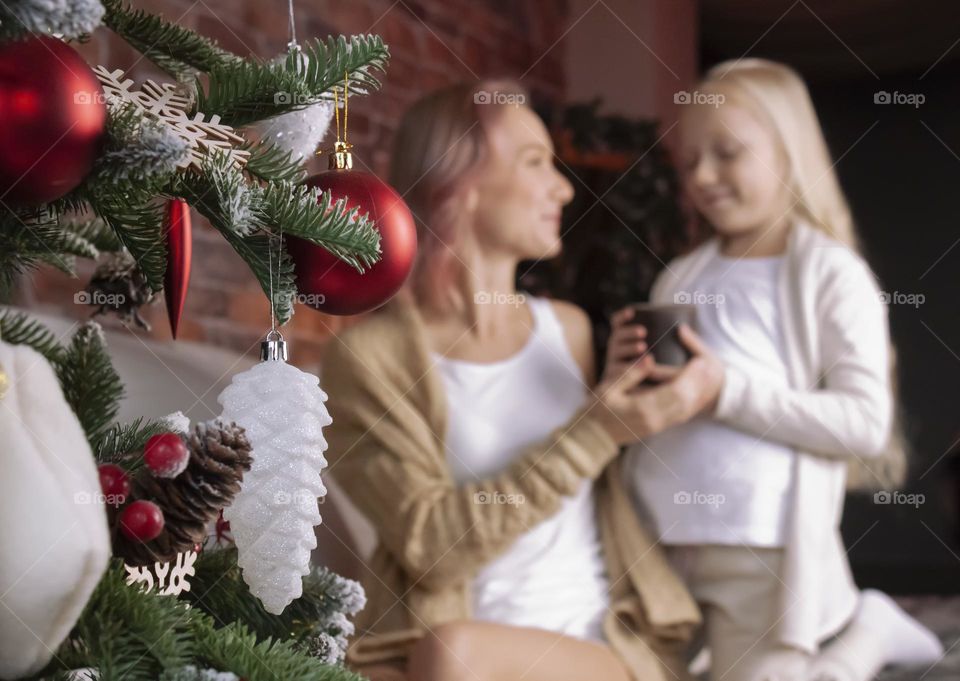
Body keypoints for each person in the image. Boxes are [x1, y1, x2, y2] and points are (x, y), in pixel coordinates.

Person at [320, 79, 721, 681]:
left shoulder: (571, 331)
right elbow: (432, 548)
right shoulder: (368, 360)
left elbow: (607, 475)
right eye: (536, 163)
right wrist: (594, 432)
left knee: (455, 655)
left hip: (595, 644)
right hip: (445, 647)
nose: (562, 188)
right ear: (459, 184)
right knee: (443, 654)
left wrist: (664, 406)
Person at [608, 59, 943, 681]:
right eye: (691, 162)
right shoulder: (682, 274)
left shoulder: (827, 273)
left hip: (763, 549)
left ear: (789, 151)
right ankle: (863, 631)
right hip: (661, 541)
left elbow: (864, 423)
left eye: (728, 153)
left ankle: (863, 637)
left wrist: (725, 390)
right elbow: (658, 409)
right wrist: (626, 381)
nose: (703, 177)